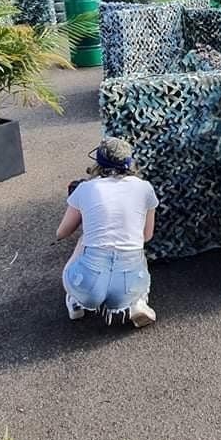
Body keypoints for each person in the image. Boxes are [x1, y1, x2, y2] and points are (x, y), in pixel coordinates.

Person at [56, 138, 159, 327]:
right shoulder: (145, 188)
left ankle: (76, 302)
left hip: (87, 284)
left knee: (85, 239)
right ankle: (137, 301)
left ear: (98, 162)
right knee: (137, 246)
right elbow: (147, 236)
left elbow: (62, 232)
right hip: (127, 285)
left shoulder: (85, 188)